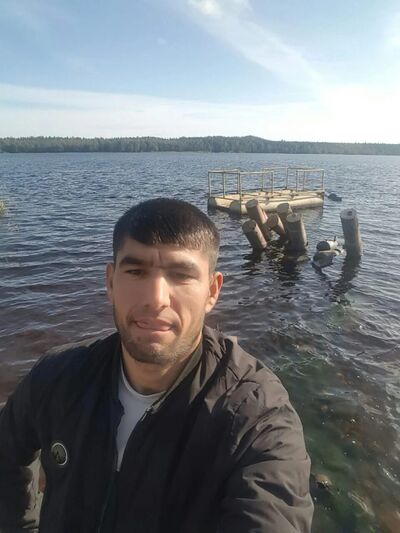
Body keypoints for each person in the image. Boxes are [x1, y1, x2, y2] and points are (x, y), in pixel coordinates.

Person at [0, 198, 313, 532]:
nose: (156, 298)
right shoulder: (58, 377)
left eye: (181, 275)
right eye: (136, 272)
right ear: (110, 283)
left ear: (212, 291)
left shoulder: (255, 417)